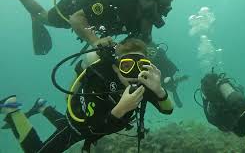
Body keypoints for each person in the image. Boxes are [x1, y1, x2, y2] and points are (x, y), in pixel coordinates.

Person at [0, 38, 174, 153]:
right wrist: (120, 109)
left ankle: (42, 106)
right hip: (78, 126)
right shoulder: (99, 80)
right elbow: (91, 127)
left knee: (62, 124)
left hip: (85, 128)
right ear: (115, 66)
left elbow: (168, 110)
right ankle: (11, 108)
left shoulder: (144, 84)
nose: (135, 73)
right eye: (127, 65)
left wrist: (159, 91)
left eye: (142, 66)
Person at [4, 0, 174, 54]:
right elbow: (77, 18)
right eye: (163, 9)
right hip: (74, 7)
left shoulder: (144, 19)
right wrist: (95, 40)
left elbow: (137, 43)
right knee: (43, 16)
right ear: (150, 1)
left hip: (94, 22)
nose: (161, 15)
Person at [147, 43, 189, 107]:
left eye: (152, 52)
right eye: (148, 52)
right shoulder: (143, 60)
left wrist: (175, 78)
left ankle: (175, 86)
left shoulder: (163, 59)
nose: (150, 55)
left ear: (156, 52)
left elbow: (174, 69)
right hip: (153, 80)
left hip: (165, 79)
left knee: (171, 87)